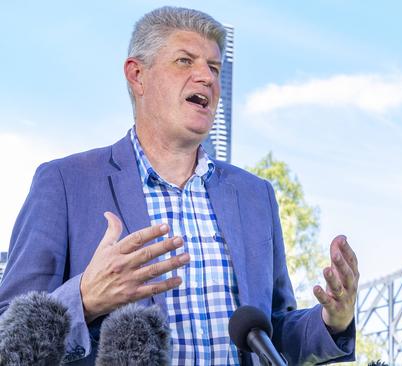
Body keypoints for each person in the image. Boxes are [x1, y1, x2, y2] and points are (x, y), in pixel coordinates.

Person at [0, 6, 358, 365]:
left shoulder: (255, 196)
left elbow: (272, 332)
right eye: (185, 61)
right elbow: (8, 335)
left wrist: (332, 322)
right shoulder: (65, 183)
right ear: (137, 75)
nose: (206, 77)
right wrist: (85, 298)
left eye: (214, 68)